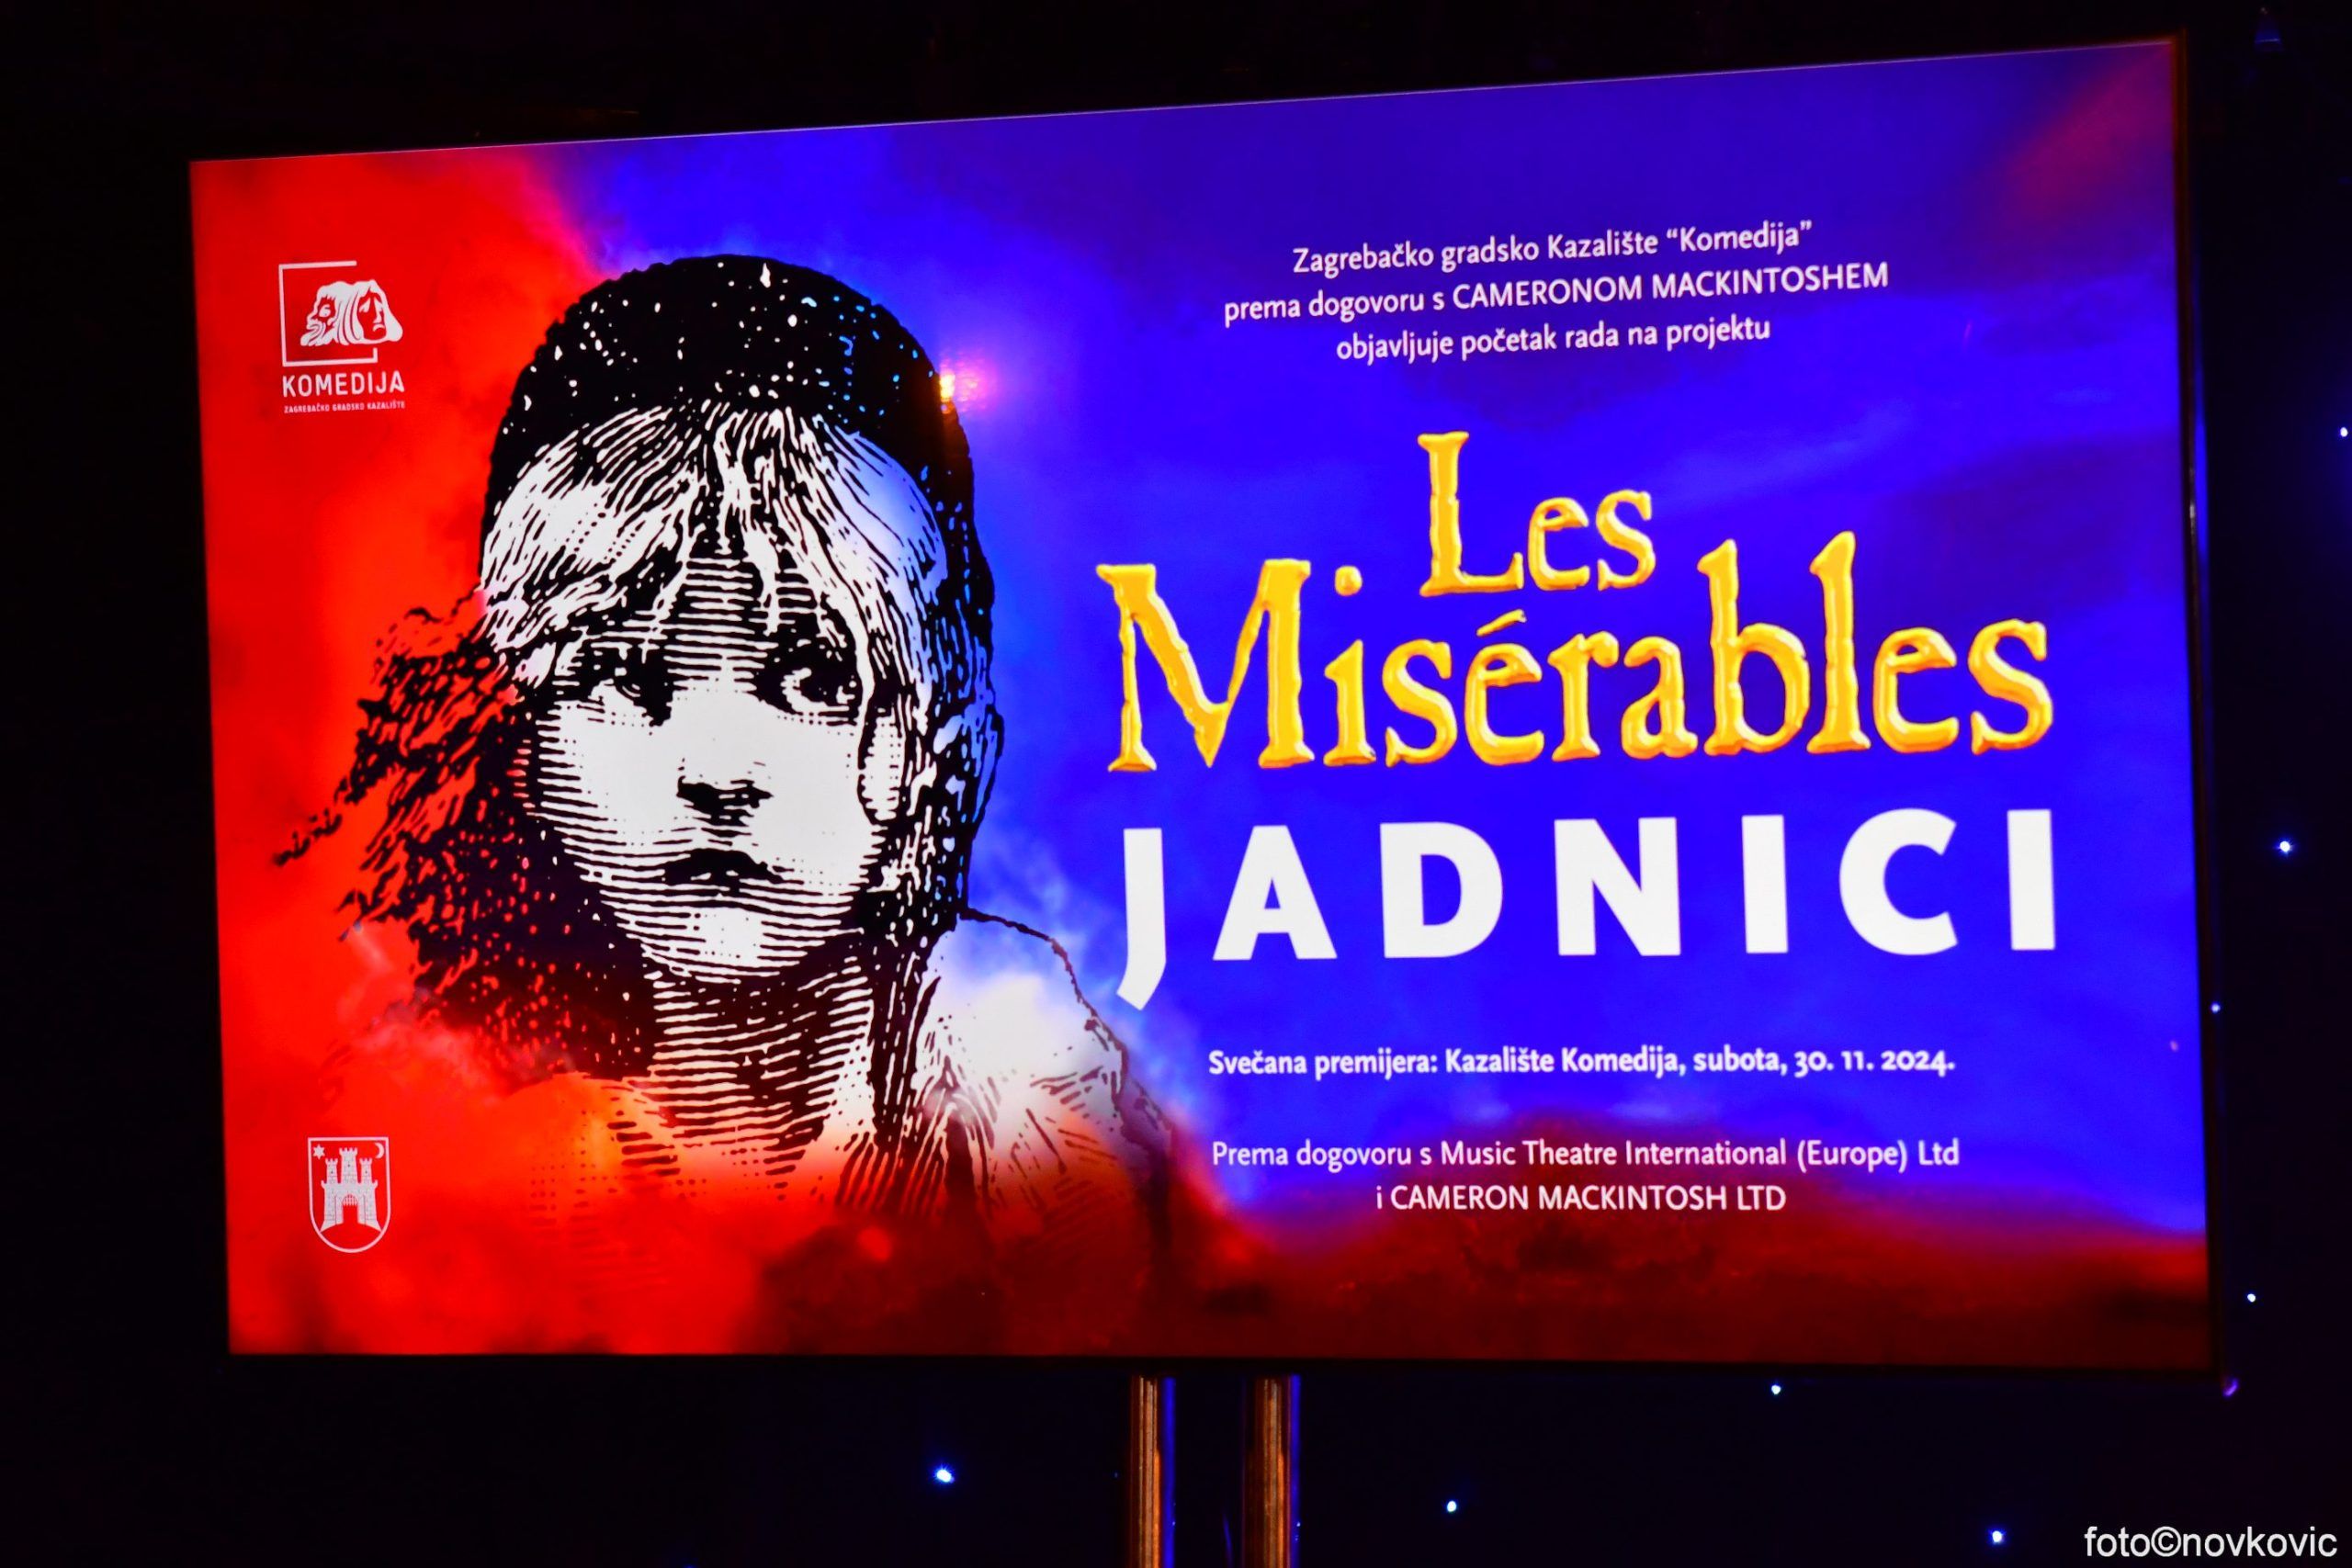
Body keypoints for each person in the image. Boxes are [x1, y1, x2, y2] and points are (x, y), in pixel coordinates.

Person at [289, 255, 1165, 1343]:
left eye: (811, 676)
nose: (716, 768)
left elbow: (1109, 1305)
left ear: (926, 739)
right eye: (625, 674)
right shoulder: (457, 1135)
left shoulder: (1016, 1077)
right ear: (531, 748)